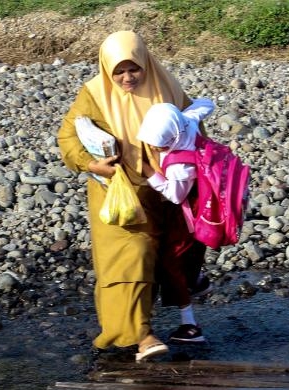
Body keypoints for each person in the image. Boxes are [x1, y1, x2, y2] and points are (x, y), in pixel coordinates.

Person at [56, 30, 195, 361]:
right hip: (116, 190)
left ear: (146, 63)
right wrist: (92, 164)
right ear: (107, 70)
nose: (127, 78)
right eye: (118, 71)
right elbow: (67, 137)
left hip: (166, 189)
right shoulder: (93, 94)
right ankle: (141, 335)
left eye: (134, 69)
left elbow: (192, 128)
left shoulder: (168, 87)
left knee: (165, 255)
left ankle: (154, 323)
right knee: (130, 255)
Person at [137, 99, 216, 344]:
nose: (155, 148)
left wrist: (150, 172)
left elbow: (175, 195)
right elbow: (207, 104)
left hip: (189, 216)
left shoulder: (180, 164)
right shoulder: (187, 123)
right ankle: (196, 281)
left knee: (170, 262)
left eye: (160, 145)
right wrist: (185, 113)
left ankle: (190, 325)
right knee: (187, 255)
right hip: (202, 206)